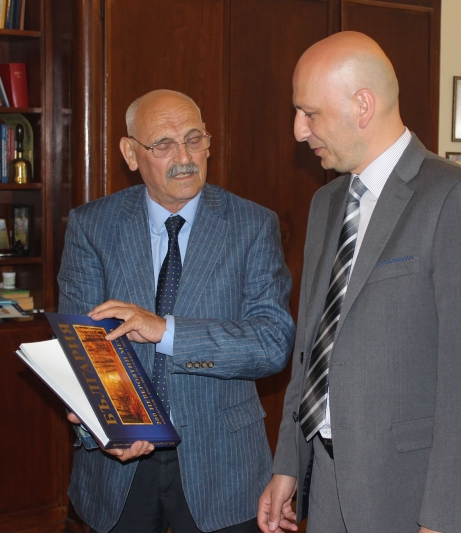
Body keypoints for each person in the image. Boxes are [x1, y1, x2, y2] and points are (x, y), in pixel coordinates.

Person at [258, 32, 461, 533]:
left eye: (309, 113)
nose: (298, 130)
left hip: (413, 494)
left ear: (363, 105)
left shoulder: (457, 198)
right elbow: (311, 350)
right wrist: (288, 463)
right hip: (327, 484)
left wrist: (445, 519)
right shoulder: (326, 203)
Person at [58, 89, 296, 533]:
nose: (184, 157)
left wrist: (165, 330)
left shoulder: (252, 225)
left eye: (194, 139)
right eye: (164, 144)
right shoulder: (93, 226)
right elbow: (82, 346)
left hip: (222, 464)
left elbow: (271, 343)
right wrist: (100, 428)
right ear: (131, 153)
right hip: (121, 467)